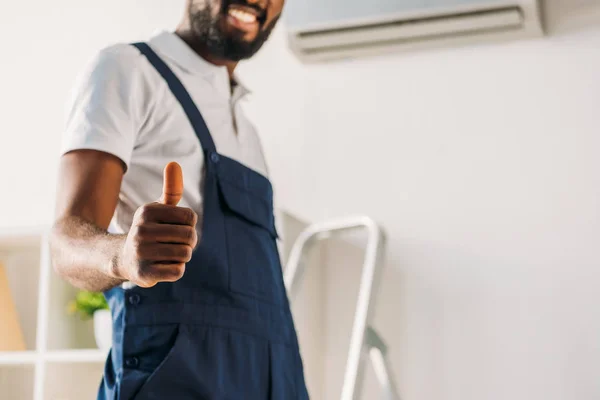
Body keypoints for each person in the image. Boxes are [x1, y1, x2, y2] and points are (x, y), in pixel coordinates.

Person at [50, 0, 309, 398]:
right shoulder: (128, 70)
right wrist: (124, 256)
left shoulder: (248, 131)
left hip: (272, 379)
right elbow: (66, 242)